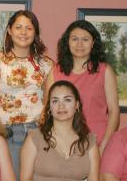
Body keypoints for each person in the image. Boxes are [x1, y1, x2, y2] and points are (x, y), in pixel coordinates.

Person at [0, 10, 53, 179]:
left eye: (29, 28)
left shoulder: (46, 64)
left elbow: (50, 101)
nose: (23, 32)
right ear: (9, 30)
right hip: (8, 132)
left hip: (38, 131)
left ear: (35, 32)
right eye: (18, 27)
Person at [45, 20, 119, 153]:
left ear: (93, 43)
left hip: (97, 143)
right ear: (67, 42)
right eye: (74, 39)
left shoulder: (105, 71)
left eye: (85, 39)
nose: (79, 44)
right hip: (61, 145)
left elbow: (114, 112)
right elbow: (47, 109)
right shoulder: (55, 71)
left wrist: (104, 146)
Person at [21, 80, 100, 181]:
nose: (61, 106)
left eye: (67, 100)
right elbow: (26, 179)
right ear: (49, 107)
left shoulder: (89, 142)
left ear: (77, 105)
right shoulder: (34, 138)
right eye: (55, 101)